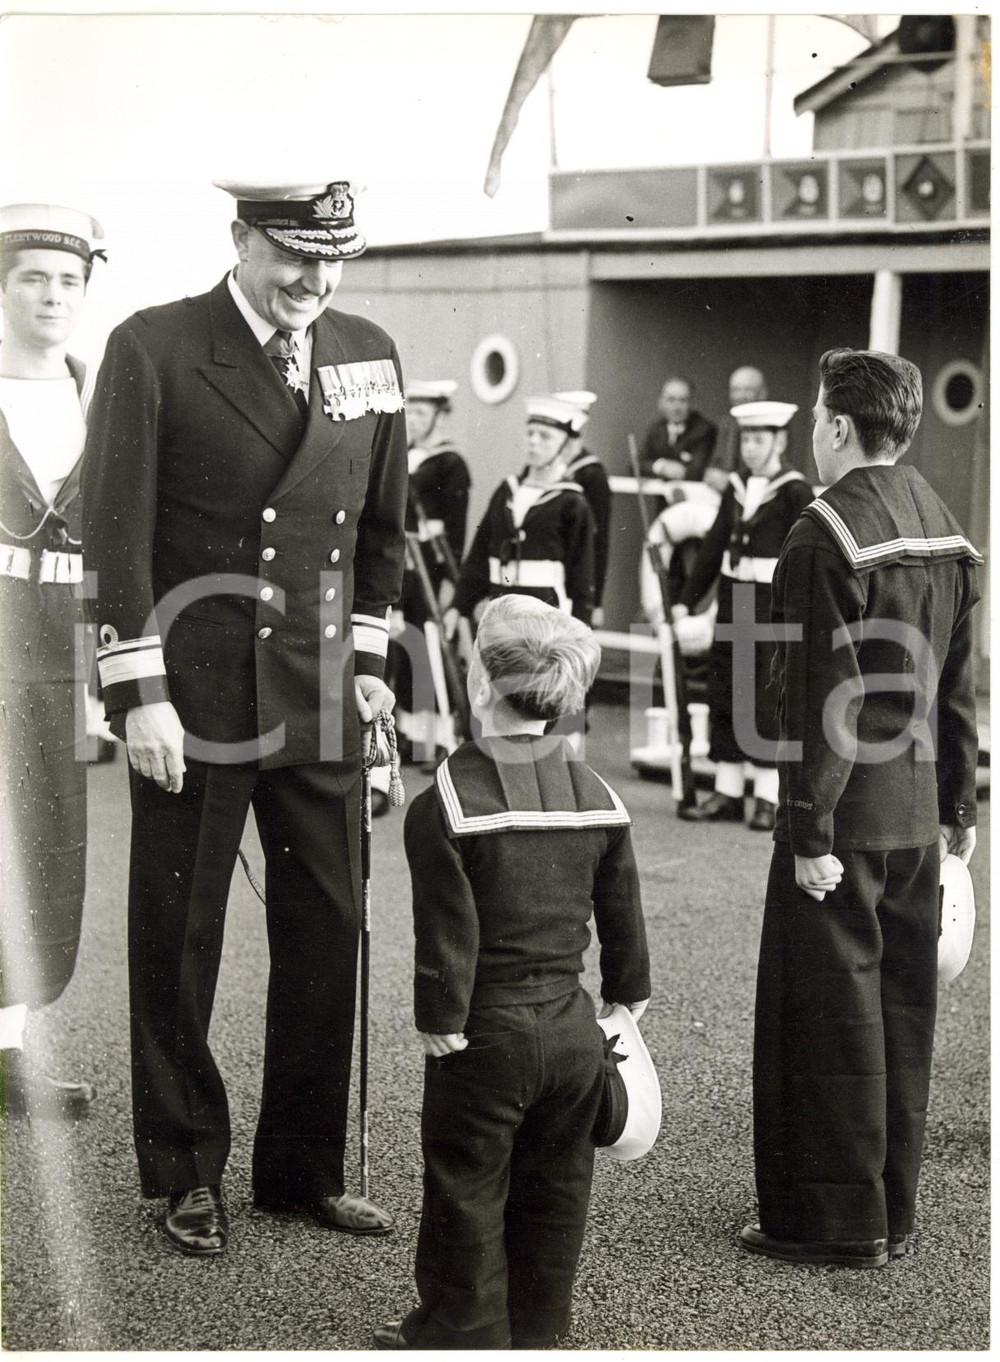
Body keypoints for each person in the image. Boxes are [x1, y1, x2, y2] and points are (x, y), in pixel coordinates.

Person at [81, 179, 408, 1255]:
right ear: (240, 239)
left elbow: (382, 536)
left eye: (332, 260)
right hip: (196, 698)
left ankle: (301, 1169)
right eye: (293, 256)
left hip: (318, 696)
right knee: (180, 938)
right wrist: (139, 694)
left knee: (329, 927)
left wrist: (369, 670)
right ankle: (182, 1169)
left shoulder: (368, 350)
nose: (314, 281)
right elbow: (116, 537)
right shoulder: (155, 346)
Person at [744, 348, 982, 1268]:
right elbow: (961, 684)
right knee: (900, 1010)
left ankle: (832, 1224)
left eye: (815, 416)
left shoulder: (824, 530)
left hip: (844, 815)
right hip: (921, 810)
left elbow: (821, 697)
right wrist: (962, 800)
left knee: (824, 1015)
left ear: (840, 426)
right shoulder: (946, 523)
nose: (812, 430)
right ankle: (892, 1210)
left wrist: (808, 830)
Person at [374, 594, 651, 1350]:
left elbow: (447, 927)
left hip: (485, 1033)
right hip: (572, 1030)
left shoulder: (448, 802)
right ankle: (539, 1329)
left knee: (467, 1186)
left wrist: (440, 1016)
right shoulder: (600, 796)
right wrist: (628, 995)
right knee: (558, 1187)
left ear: (478, 687)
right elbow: (623, 913)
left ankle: (460, 1330)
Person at [0, 202, 106, 1117]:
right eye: (32, 276)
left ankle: (9, 1049)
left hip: (61, 656)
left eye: (69, 279)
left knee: (44, 847)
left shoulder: (96, 395)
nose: (52, 295)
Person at [672, 401, 814, 831]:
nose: (750, 449)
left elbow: (805, 555)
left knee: (768, 699)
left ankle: (768, 798)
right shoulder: (735, 487)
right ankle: (729, 793)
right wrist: (686, 598)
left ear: (780, 441)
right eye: (746, 440)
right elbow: (714, 547)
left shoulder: (794, 491)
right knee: (728, 690)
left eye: (759, 440)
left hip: (773, 607)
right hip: (734, 601)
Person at [450, 393, 596, 627]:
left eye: (545, 436)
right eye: (530, 433)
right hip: (499, 612)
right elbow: (480, 553)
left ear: (566, 447)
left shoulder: (571, 502)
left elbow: (582, 574)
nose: (534, 441)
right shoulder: (507, 491)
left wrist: (582, 626)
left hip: (546, 617)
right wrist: (458, 606)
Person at [390, 378, 470, 757]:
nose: (414, 420)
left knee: (429, 643)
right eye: (412, 412)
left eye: (422, 413)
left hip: (430, 567)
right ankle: (405, 730)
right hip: (400, 562)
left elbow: (454, 534)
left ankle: (438, 734)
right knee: (402, 645)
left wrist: (449, 587)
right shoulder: (403, 454)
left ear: (440, 416)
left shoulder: (450, 463)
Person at [555, 390, 612, 628]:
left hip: (575, 576)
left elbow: (599, 541)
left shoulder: (591, 474)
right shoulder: (545, 469)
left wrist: (595, 601)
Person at [639, 375, 717, 484]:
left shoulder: (705, 430)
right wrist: (662, 467)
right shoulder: (656, 429)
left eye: (682, 400)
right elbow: (637, 465)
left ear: (692, 403)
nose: (676, 407)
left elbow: (698, 470)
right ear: (661, 402)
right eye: (671, 400)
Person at [703, 365, 768, 493]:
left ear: (762, 393)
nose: (740, 396)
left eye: (747, 390)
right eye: (735, 390)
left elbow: (769, 473)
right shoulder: (726, 424)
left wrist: (732, 481)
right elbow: (714, 463)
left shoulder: (773, 427)